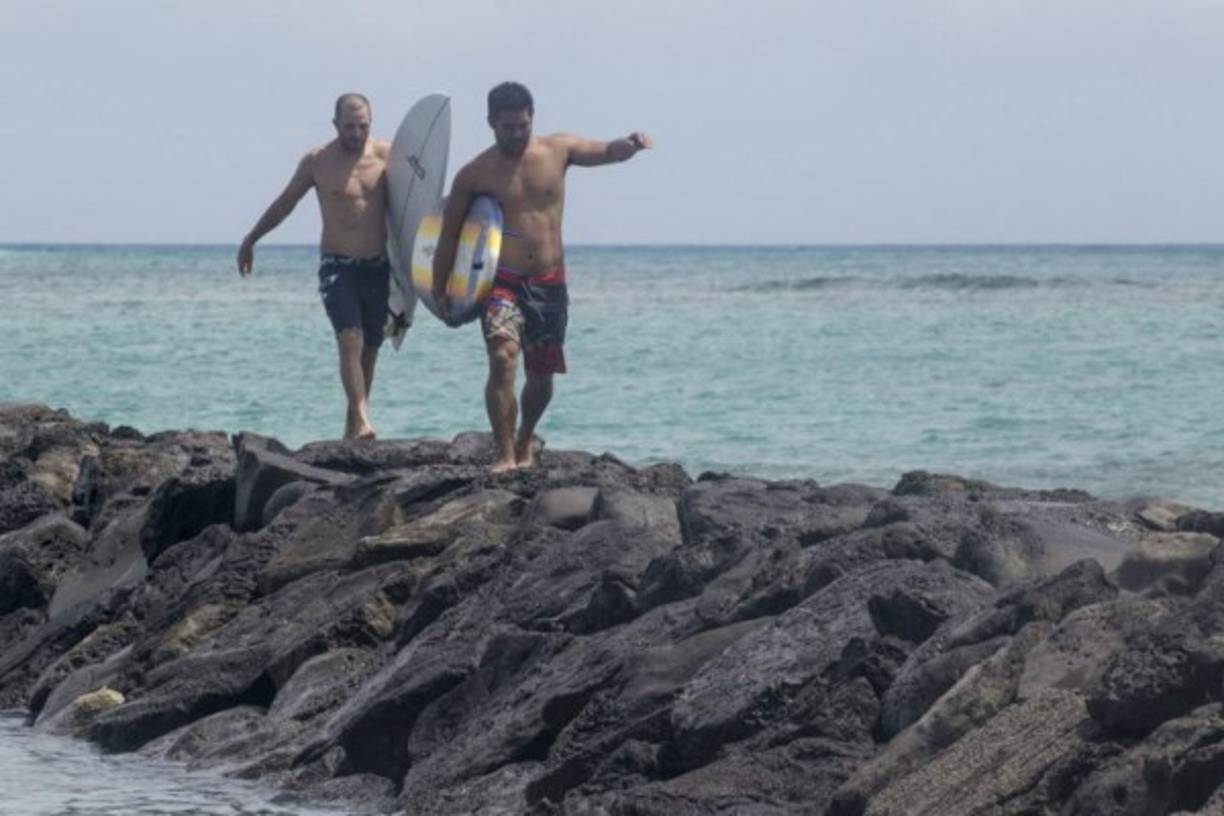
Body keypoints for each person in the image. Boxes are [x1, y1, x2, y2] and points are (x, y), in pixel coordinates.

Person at [432, 81, 652, 472]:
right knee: (502, 359)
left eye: (523, 125)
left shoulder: (558, 150)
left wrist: (630, 145)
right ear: (491, 122)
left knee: (541, 376)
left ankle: (524, 439)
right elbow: (448, 236)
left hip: (549, 282)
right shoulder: (474, 174)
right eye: (508, 127)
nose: (517, 134)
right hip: (503, 282)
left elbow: (606, 151)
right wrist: (439, 288)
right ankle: (504, 454)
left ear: (532, 117)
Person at [237, 93, 391, 441]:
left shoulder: (387, 156)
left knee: (370, 350)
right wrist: (252, 239)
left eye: (363, 126)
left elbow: (415, 203)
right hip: (337, 266)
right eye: (349, 127)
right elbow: (285, 203)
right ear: (335, 124)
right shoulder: (317, 161)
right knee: (349, 340)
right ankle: (363, 420)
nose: (356, 133)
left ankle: (352, 430)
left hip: (378, 266)